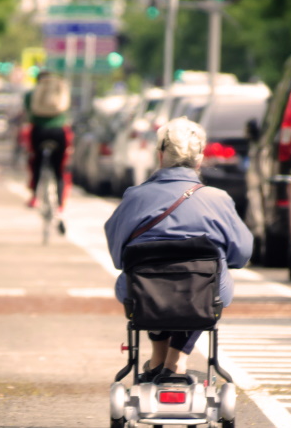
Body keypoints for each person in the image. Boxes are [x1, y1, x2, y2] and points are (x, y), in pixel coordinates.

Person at [104, 117, 252, 378]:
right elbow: (241, 254)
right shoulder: (218, 199)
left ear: (160, 156)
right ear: (199, 159)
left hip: (144, 293)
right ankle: (177, 360)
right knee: (206, 286)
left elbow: (118, 256)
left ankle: (160, 358)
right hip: (202, 294)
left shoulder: (134, 197)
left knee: (151, 280)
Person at [24, 71, 72, 233]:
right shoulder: (59, 89)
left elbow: (28, 112)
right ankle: (59, 206)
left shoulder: (32, 93)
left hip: (39, 132)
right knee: (59, 171)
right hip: (59, 132)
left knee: (35, 161)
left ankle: (34, 197)